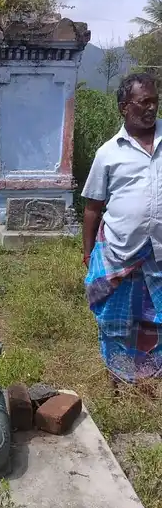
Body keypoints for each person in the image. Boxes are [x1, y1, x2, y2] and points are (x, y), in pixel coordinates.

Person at [82, 72, 162, 385]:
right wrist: (88, 254)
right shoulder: (108, 153)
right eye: (144, 102)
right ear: (124, 107)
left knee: (156, 320)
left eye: (155, 101)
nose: (151, 108)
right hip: (119, 254)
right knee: (116, 322)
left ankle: (151, 380)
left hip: (159, 256)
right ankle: (118, 378)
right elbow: (92, 209)